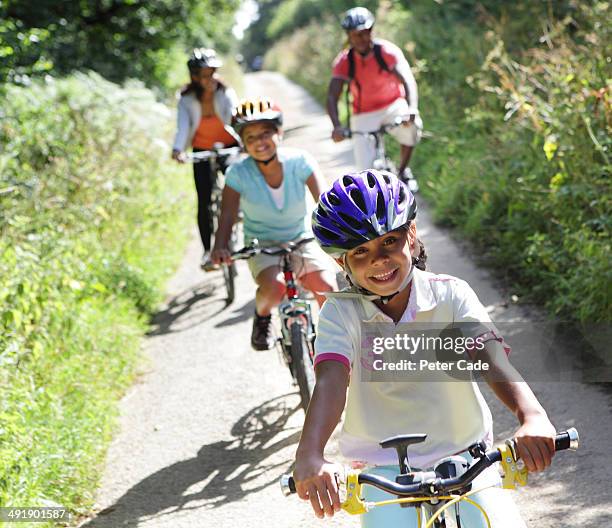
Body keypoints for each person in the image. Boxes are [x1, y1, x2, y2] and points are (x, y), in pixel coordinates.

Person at [292, 169, 557, 527]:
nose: (379, 260)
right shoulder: (340, 314)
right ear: (342, 263)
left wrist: (532, 415)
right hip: (380, 472)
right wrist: (310, 453)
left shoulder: (450, 294)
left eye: (389, 242)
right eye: (360, 251)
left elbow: (488, 356)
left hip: (468, 457)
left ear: (411, 236)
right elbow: (330, 382)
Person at [211, 98, 337, 351]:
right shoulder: (238, 174)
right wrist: (220, 246)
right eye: (251, 137)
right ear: (243, 143)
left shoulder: (300, 161)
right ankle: (262, 317)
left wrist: (336, 232)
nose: (259, 142)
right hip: (262, 243)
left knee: (327, 288)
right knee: (275, 287)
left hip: (302, 237)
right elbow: (227, 215)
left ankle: (337, 339)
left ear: (279, 132)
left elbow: (324, 201)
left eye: (265, 133)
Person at [327, 7, 422, 191]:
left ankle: (403, 171)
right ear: (349, 36)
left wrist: (412, 108)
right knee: (365, 175)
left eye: (365, 33)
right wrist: (336, 126)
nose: (361, 39)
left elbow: (408, 80)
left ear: (371, 31)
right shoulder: (344, 62)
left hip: (393, 105)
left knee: (413, 126)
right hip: (363, 114)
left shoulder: (387, 51)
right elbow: (332, 96)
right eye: (356, 35)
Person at [172, 48, 239, 269]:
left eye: (213, 72)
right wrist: (178, 149)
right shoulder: (186, 99)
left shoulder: (224, 92)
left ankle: (236, 216)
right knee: (203, 200)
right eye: (205, 73)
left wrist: (244, 140)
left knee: (235, 180)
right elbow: (182, 126)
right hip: (200, 149)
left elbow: (235, 116)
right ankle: (207, 251)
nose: (210, 77)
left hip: (227, 146)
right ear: (194, 77)